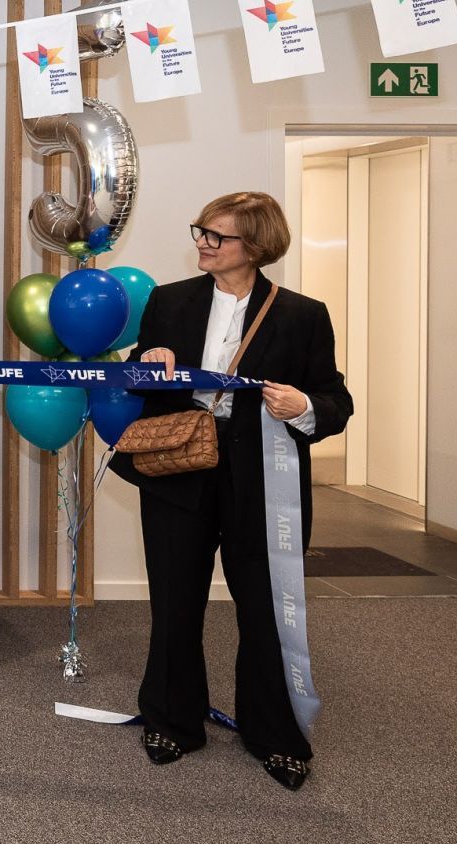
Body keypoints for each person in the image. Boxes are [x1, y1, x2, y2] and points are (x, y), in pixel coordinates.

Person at [111, 192, 353, 791]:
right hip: (180, 471)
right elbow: (138, 378)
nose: (202, 242)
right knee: (174, 602)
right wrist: (149, 358)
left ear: (257, 246)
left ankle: (273, 735)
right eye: (201, 231)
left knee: (265, 611)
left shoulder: (302, 314)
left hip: (262, 484)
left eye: (216, 236)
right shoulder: (167, 301)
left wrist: (302, 407)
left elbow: (334, 402)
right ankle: (172, 719)